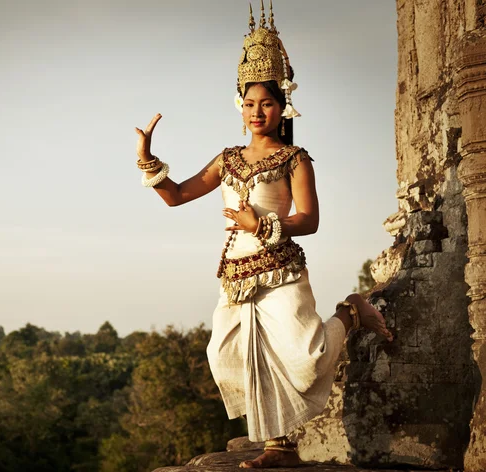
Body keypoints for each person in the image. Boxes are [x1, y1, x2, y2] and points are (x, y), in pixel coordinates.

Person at [134, 2, 393, 468]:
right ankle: (279, 446)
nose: (257, 111)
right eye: (250, 103)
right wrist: (147, 158)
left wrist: (262, 224)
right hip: (235, 275)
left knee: (308, 359)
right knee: (229, 357)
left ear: (283, 106)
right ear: (241, 105)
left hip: (280, 270)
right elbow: (176, 196)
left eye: (267, 103)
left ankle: (350, 313)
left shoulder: (295, 158)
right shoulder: (228, 158)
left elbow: (310, 220)